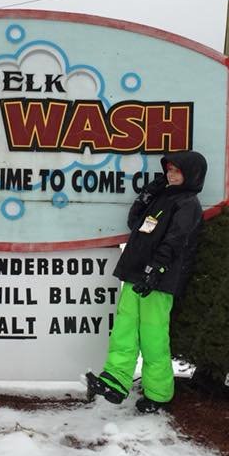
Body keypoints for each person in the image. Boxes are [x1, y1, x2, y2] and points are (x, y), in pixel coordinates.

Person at [87, 151, 207, 413]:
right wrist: (146, 195)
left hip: (159, 281)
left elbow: (176, 240)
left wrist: (156, 269)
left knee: (153, 336)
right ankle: (115, 381)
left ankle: (158, 393)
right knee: (124, 329)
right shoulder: (163, 197)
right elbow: (135, 223)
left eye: (177, 171)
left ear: (192, 174)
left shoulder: (188, 204)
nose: (171, 175)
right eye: (169, 170)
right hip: (135, 273)